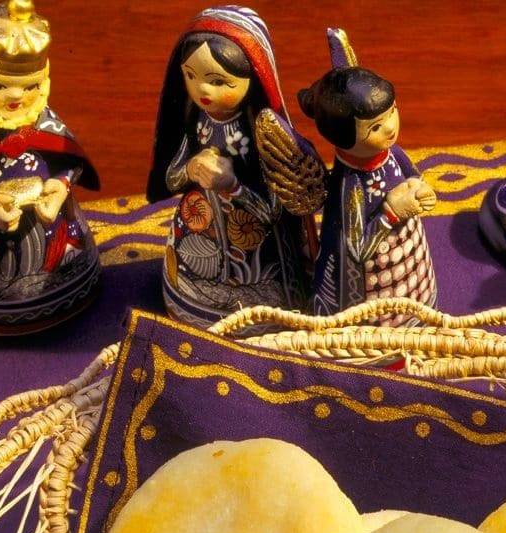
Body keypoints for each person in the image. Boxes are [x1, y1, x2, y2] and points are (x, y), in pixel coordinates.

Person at [146, 6, 319, 328]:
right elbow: (171, 178)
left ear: (253, 79)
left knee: (259, 279)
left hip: (257, 242)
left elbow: (271, 210)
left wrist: (231, 185)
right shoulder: (195, 121)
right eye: (190, 75)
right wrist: (190, 170)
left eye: (218, 80)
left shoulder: (261, 133)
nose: (203, 90)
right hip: (200, 232)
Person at [0, 0, 100, 336]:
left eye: (30, 87)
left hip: (52, 233)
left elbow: (70, 161)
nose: (16, 97)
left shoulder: (43, 120)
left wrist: (59, 187)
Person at [298, 60, 437, 320]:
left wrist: (418, 187)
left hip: (411, 259)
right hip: (375, 283)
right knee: (383, 316)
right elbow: (357, 249)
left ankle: (421, 314)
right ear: (342, 136)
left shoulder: (392, 152)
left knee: (419, 300)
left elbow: (411, 173)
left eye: (392, 111)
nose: (390, 127)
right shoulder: (352, 187)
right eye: (374, 126)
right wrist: (392, 212)